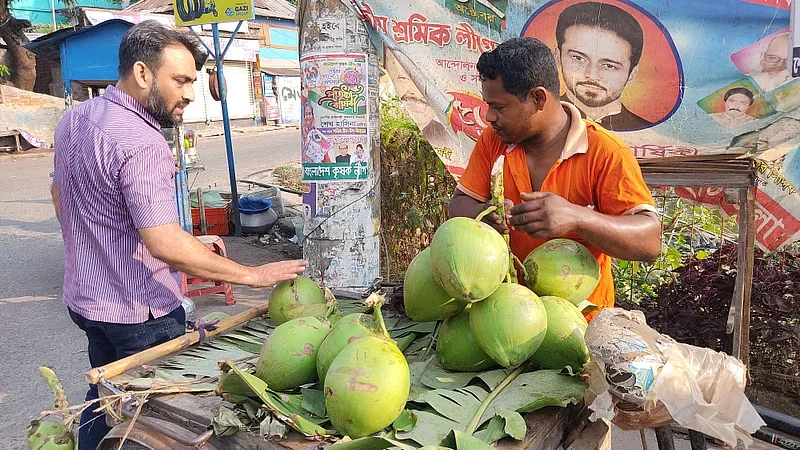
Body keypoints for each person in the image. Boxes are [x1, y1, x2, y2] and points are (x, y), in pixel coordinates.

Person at [50, 21, 307, 450]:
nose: (190, 93)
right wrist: (252, 276)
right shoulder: (141, 140)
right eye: (181, 80)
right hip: (140, 313)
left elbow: (64, 198)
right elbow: (164, 242)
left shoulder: (77, 118)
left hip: (87, 300)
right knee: (163, 422)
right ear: (143, 73)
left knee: (106, 398)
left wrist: (109, 244)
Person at [449, 37, 661, 318]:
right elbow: (458, 206)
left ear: (539, 98)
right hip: (504, 315)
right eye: (489, 105)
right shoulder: (494, 141)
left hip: (578, 326)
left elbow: (650, 242)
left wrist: (577, 218)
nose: (489, 117)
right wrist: (483, 214)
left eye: (500, 108)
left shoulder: (605, 152)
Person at [555, 1, 651, 131]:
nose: (592, 75)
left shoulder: (646, 131)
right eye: (578, 58)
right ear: (558, 58)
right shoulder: (538, 123)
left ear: (631, 76)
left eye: (609, 66)